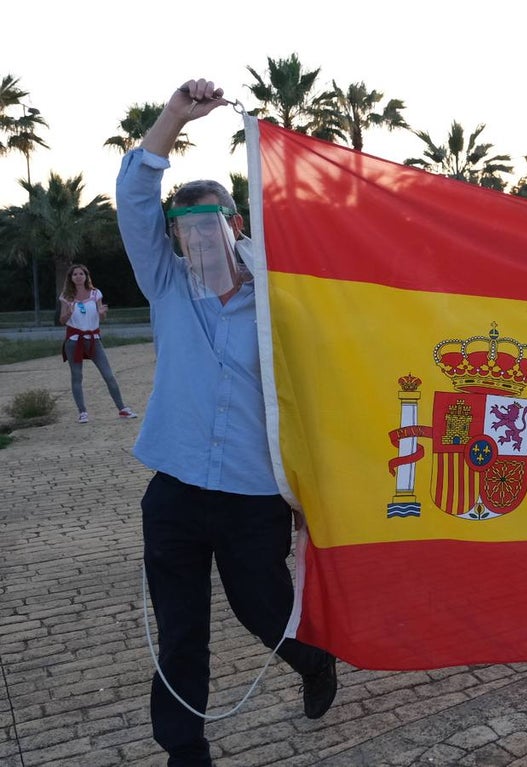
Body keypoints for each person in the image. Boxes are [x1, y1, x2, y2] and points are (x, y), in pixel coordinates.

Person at [116, 78, 337, 766]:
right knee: (182, 630)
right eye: (183, 230)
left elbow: (306, 398)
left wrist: (306, 494)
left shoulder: (277, 299)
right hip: (177, 489)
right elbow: (131, 201)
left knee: (264, 610)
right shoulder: (166, 285)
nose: (197, 239)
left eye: (208, 224)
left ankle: (311, 658)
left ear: (235, 224)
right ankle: (186, 749)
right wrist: (174, 116)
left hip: (252, 493)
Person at [58, 264, 138, 423]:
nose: (79, 277)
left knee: (108, 375)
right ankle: (82, 412)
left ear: (86, 276)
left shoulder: (95, 293)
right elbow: (61, 320)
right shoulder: (66, 296)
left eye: (81, 274)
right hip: (74, 341)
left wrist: (102, 314)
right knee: (77, 376)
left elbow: (101, 317)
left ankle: (122, 408)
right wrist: (68, 313)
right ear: (71, 278)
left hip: (93, 340)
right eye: (75, 274)